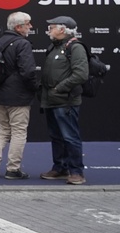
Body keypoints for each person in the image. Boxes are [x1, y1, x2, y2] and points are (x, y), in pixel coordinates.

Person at [0, 11, 39, 180]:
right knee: (18, 131)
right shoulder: (22, 44)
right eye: (28, 23)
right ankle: (13, 169)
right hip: (18, 96)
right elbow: (28, 71)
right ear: (18, 27)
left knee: (3, 130)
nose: (31, 27)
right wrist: (36, 87)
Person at [38, 16, 89, 185]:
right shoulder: (53, 46)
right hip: (50, 100)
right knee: (56, 136)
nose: (49, 31)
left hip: (66, 101)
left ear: (62, 29)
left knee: (70, 137)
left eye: (51, 27)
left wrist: (60, 88)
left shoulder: (75, 48)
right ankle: (60, 168)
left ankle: (76, 172)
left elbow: (81, 74)